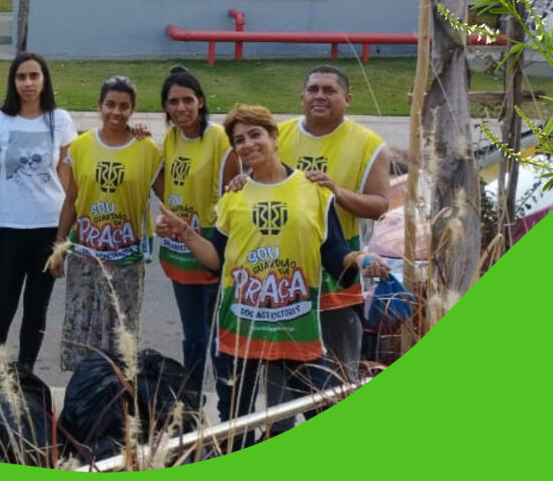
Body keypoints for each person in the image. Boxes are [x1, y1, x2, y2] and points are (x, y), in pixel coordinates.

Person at [156, 104, 388, 448]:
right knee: (236, 421)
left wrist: (361, 258)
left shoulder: (313, 190)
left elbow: (333, 251)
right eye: (239, 140)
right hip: (240, 328)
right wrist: (186, 234)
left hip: (298, 326)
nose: (248, 144)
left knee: (319, 406)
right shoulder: (234, 195)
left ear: (274, 137)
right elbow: (216, 260)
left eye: (255, 135)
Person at [0, 52, 78, 376]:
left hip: (49, 226)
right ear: (13, 82)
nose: (28, 83)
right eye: (21, 77)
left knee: (36, 307)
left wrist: (65, 236)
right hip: (11, 227)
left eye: (34, 76)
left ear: (44, 80)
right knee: (2, 305)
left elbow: (67, 177)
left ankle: (25, 370)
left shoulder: (61, 120)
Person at [277, 65, 390, 383]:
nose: (319, 96)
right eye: (313, 89)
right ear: (302, 96)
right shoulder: (278, 136)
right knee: (284, 364)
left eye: (329, 90)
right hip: (283, 268)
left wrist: (337, 193)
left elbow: (380, 205)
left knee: (338, 369)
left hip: (337, 269)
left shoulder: (368, 144)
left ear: (347, 98)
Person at [50, 76, 162, 371]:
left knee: (120, 331)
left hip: (126, 259)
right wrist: (59, 246)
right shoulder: (82, 146)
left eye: (124, 106)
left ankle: (117, 398)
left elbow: (169, 195)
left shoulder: (147, 149)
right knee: (82, 326)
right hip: (86, 256)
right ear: (99, 105)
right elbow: (72, 199)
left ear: (133, 110)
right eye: (110, 104)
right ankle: (83, 393)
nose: (116, 112)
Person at [151, 65, 240, 407]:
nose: (181, 108)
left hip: (212, 245)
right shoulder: (171, 138)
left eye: (188, 100)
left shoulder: (220, 140)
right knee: (193, 335)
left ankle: (227, 404)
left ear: (201, 102)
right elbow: (161, 180)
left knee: (217, 334)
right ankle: (190, 401)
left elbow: (234, 195)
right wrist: (171, 219)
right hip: (179, 247)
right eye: (173, 102)